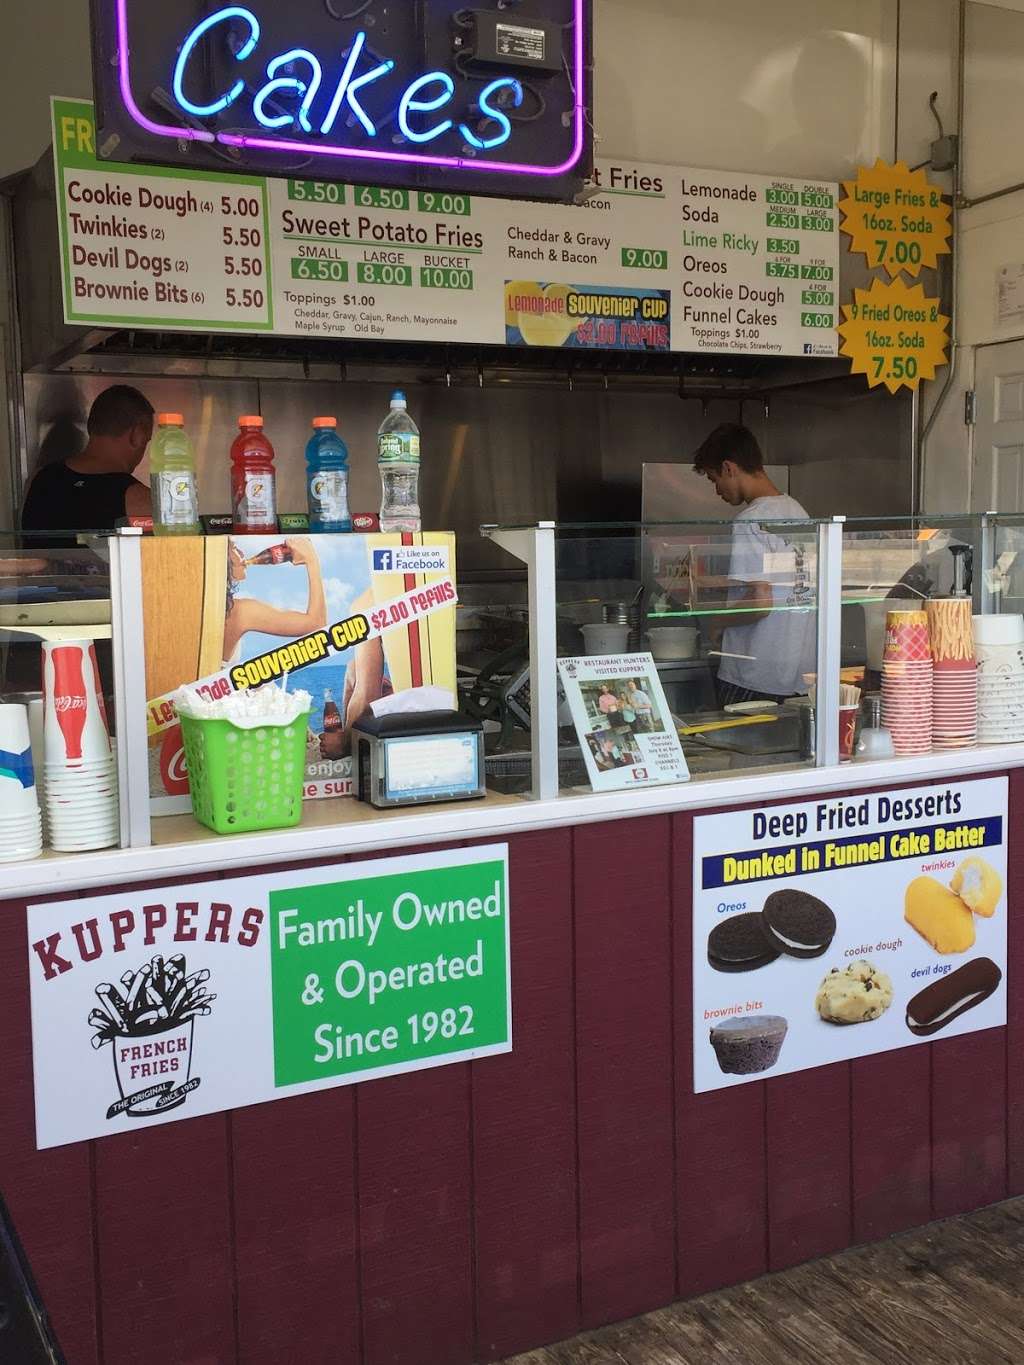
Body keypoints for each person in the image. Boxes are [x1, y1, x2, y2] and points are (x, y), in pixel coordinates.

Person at [692, 423, 816, 706]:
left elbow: (760, 600)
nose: (717, 490)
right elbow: (789, 584)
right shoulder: (799, 512)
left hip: (752, 675)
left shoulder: (750, 521)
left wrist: (718, 622)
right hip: (797, 677)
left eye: (714, 479)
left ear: (728, 468)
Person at [21, 385, 154, 535]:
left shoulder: (38, 480)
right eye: (147, 440)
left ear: (91, 426)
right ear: (137, 435)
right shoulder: (139, 499)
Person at [222, 537, 327, 665]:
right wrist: (312, 560)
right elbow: (316, 624)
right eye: (234, 548)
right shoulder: (239, 612)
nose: (242, 553)